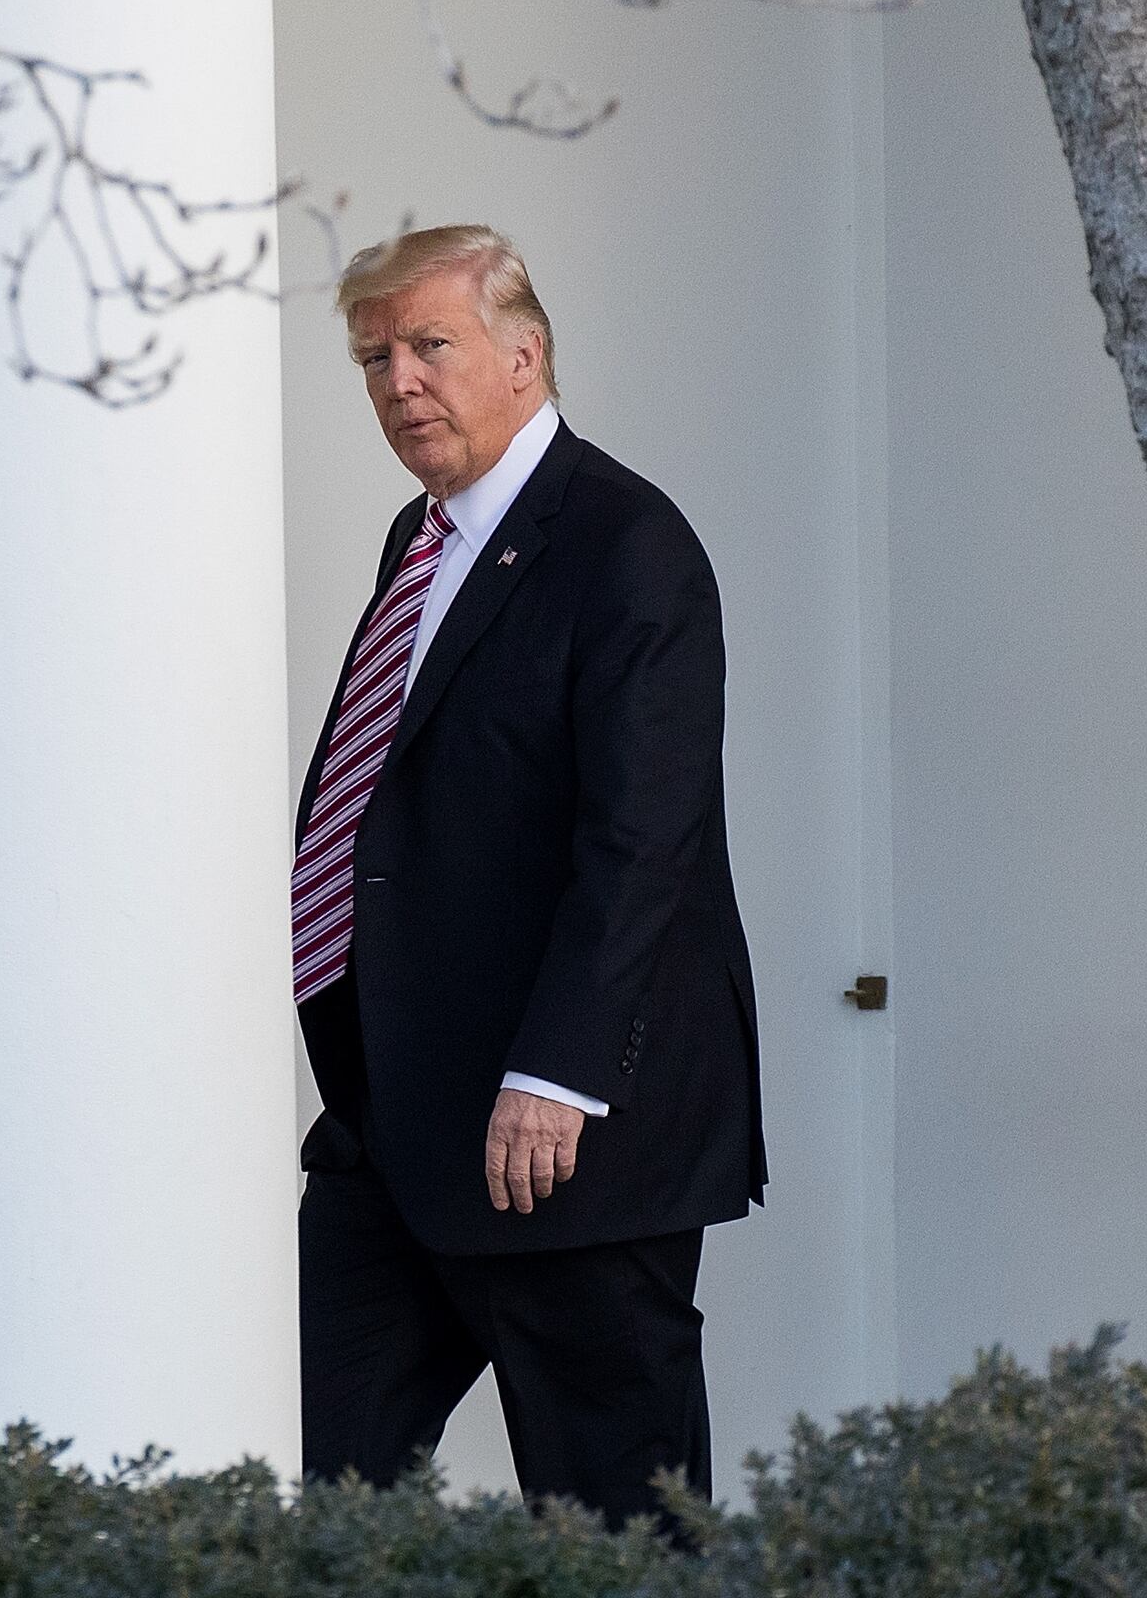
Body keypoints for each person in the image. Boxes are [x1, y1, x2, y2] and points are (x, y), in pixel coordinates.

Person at [291, 223, 766, 1528]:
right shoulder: (420, 535)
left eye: (430, 346)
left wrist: (557, 1075)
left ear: (523, 352)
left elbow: (642, 840)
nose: (400, 382)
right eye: (373, 357)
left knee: (622, 1525)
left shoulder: (626, 543)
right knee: (336, 1507)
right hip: (393, 1134)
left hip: (562, 1144)